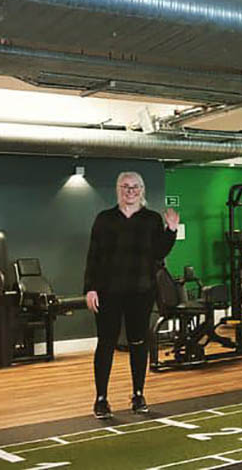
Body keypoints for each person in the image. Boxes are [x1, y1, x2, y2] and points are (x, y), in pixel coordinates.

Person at [85, 171, 178, 419]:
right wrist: (90, 288)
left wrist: (171, 231)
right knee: (105, 344)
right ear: (118, 189)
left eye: (135, 187)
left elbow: (159, 253)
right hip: (108, 292)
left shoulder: (151, 219)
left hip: (141, 291)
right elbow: (93, 256)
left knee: (139, 343)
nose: (130, 191)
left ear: (142, 190)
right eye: (126, 187)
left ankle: (138, 395)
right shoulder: (104, 219)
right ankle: (101, 399)